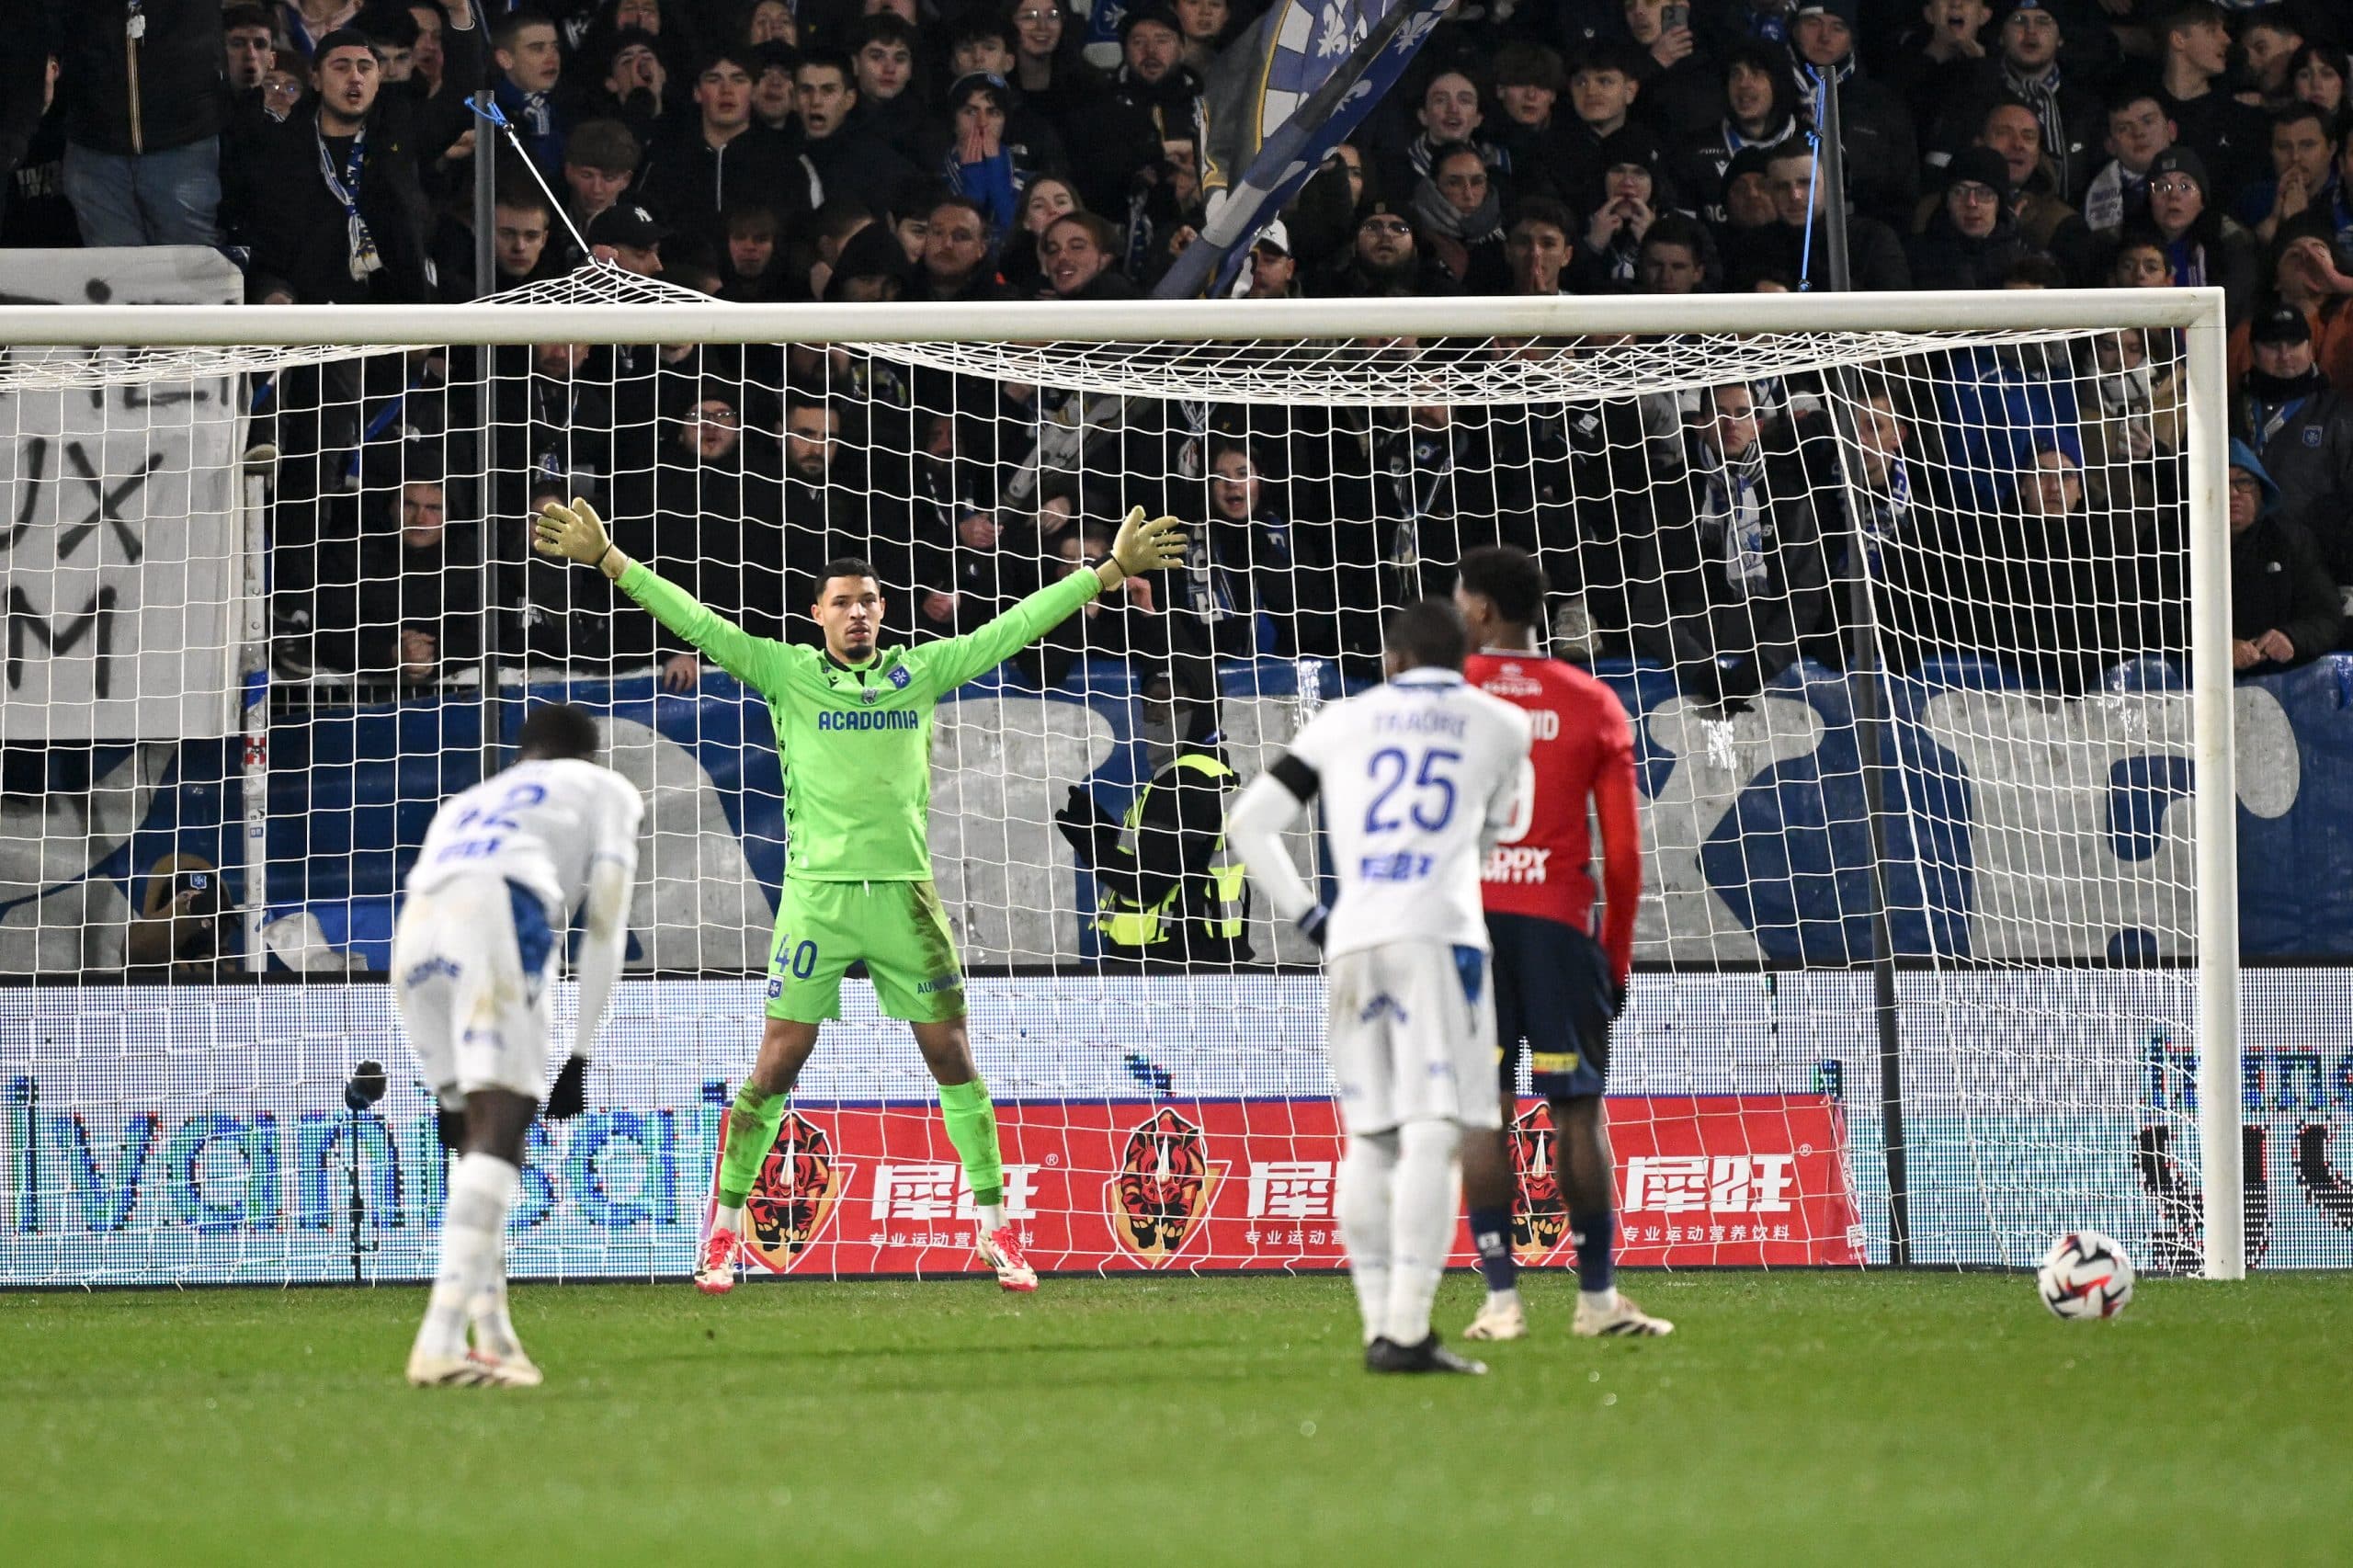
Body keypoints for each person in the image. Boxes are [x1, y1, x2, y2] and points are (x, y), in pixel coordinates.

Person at [529, 494, 1187, 1294]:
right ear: (818, 613)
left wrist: (1105, 572)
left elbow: (1012, 628)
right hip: (818, 901)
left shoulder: (921, 670)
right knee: (776, 1065)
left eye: (869, 601)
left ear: (884, 611)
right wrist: (611, 562)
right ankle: (725, 1231)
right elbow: (700, 625)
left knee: (952, 1059)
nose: (858, 614)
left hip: (906, 900)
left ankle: (995, 1229)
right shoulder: (786, 671)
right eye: (842, 602)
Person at [1223, 598, 1532, 1376]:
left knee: (1370, 1134)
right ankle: (1407, 1329)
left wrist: (1311, 918)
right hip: (1442, 936)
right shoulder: (1501, 724)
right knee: (1435, 1132)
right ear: (1464, 657)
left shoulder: (1340, 721)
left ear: (1391, 660)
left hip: (1354, 938)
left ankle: (1379, 1329)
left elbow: (1250, 824)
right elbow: (1503, 829)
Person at [1443, 547, 1663, 1343]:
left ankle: (1501, 1304)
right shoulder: (1592, 702)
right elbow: (1626, 855)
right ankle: (1597, 1300)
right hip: (1559, 927)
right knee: (1577, 1112)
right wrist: (1616, 956)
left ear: (1480, 612)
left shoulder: (1449, 697)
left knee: (1482, 1113)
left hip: (1469, 930)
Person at [395, 703, 642, 1387]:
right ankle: (438, 1343)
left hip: (414, 929)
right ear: (586, 756)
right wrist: (582, 1054)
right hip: (497, 912)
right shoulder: (606, 789)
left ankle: (495, 1339)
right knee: (502, 1133)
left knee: (472, 1143)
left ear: (524, 753)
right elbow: (605, 923)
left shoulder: (468, 800)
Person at [1056, 669, 1251, 971]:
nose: (1155, 716)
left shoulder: (1185, 781)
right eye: (1148, 703)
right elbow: (1169, 857)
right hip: (1195, 954)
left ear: (1203, 712)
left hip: (1174, 963)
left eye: (1170, 704)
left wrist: (1090, 846)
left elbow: (1148, 884)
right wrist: (1103, 829)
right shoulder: (1203, 771)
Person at [2227, 437, 2342, 673]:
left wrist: (2292, 638)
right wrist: (2216, 647)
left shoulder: (2291, 540)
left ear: (2262, 491)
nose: (2232, 493)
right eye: (2219, 483)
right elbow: (2160, 619)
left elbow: (2327, 617)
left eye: (2243, 482)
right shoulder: (2172, 542)